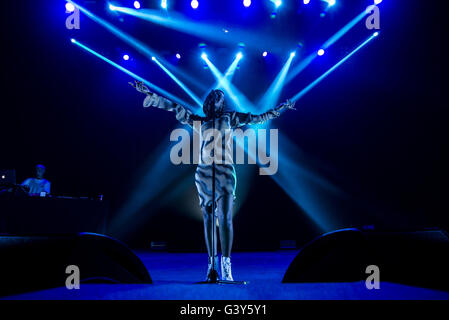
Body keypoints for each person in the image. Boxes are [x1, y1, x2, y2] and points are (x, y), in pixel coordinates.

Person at [131, 80, 295, 281]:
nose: (219, 101)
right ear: (210, 102)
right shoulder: (198, 121)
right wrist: (151, 95)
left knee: (225, 218)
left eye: (222, 99)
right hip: (204, 174)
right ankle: (211, 267)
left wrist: (280, 109)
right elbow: (176, 108)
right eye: (216, 98)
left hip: (225, 172)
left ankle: (226, 266)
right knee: (208, 219)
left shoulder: (231, 118)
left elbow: (257, 118)